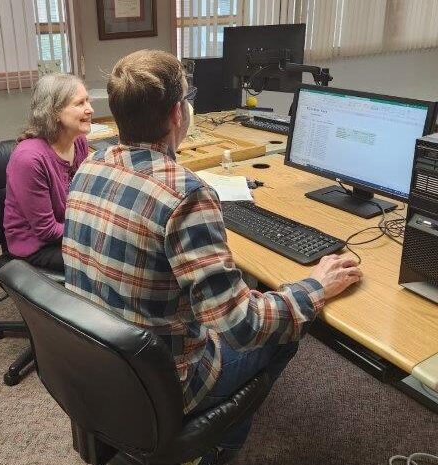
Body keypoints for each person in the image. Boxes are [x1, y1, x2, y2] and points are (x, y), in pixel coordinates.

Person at [62, 50, 362, 465]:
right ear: (177, 115)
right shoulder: (185, 193)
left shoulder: (90, 164)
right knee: (287, 329)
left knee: (234, 307)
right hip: (164, 381)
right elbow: (243, 327)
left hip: (99, 359)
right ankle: (214, 448)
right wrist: (313, 287)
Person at [3, 73, 93, 271]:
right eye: (80, 103)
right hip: (37, 247)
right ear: (54, 112)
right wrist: (93, 229)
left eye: (88, 100)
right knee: (106, 260)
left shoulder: (79, 142)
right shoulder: (29, 159)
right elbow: (47, 231)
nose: (90, 109)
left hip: (68, 231)